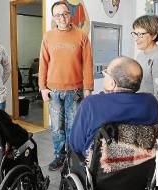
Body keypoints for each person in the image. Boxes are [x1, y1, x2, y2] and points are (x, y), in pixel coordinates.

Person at [39, 1, 94, 171]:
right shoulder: (48, 36)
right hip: (53, 91)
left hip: (75, 91)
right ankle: (59, 156)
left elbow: (87, 64)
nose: (62, 18)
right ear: (53, 18)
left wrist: (88, 88)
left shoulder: (81, 36)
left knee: (72, 127)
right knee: (56, 127)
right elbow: (43, 63)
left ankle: (71, 158)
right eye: (58, 15)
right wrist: (42, 87)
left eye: (65, 14)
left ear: (70, 14)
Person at [70, 56, 158, 158]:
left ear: (112, 83)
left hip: (100, 171)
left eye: (106, 74)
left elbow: (76, 145)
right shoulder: (150, 102)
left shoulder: (91, 104)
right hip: (141, 168)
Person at [132, 15, 158, 122]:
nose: (136, 38)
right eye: (135, 33)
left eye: (140, 34)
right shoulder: (140, 55)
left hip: (150, 117)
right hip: (138, 112)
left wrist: (156, 122)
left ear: (153, 35)